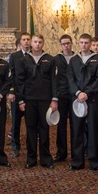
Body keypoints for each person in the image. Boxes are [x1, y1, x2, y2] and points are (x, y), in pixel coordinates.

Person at [14, 34, 59, 169]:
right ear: (31, 44)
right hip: (29, 100)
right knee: (31, 129)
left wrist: (54, 99)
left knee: (44, 129)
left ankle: (46, 158)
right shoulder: (24, 59)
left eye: (40, 42)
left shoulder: (50, 60)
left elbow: (54, 81)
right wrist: (21, 100)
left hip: (45, 100)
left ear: (43, 43)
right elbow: (19, 81)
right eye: (35, 42)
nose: (37, 44)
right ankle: (31, 158)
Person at [67, 33, 98, 172]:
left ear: (90, 44)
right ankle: (77, 161)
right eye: (81, 42)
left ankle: (95, 162)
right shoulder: (74, 60)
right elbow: (70, 79)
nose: (84, 45)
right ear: (78, 43)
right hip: (77, 99)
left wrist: (87, 93)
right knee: (77, 130)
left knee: (93, 130)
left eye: (86, 43)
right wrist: (78, 93)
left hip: (92, 100)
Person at [6, 32, 31, 157]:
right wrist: (11, 91)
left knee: (30, 122)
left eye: (28, 39)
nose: (26, 42)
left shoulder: (33, 56)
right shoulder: (14, 56)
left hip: (30, 95)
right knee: (15, 122)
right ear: (20, 42)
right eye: (24, 39)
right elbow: (11, 75)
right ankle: (15, 146)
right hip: (16, 93)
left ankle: (30, 146)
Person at [52, 34, 76, 162]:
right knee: (61, 125)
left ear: (72, 43)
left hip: (75, 96)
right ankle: (61, 153)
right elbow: (54, 80)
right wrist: (54, 97)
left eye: (68, 43)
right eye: (63, 44)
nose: (66, 46)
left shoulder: (78, 58)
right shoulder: (56, 59)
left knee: (75, 125)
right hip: (61, 95)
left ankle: (75, 153)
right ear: (60, 45)